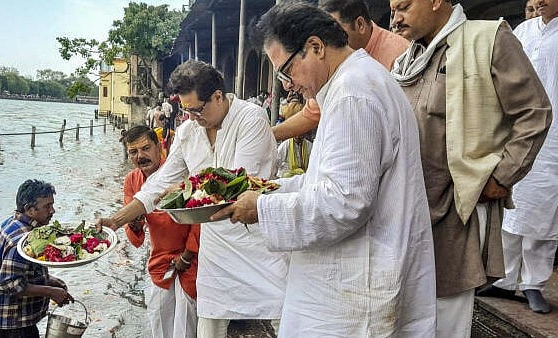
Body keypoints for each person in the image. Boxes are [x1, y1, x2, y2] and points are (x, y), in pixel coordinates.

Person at [214, 2, 436, 336]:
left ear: (316, 47)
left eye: (286, 70)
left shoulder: (352, 94)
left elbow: (344, 203)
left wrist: (259, 207)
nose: (287, 85)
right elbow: (329, 181)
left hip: (356, 287)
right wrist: (271, 189)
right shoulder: (354, 82)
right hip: (359, 276)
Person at [389, 0, 552, 336]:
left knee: (445, 319)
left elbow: (535, 113)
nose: (396, 19)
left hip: (455, 210)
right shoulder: (406, 60)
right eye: (392, 10)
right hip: (406, 208)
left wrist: (502, 175)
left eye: (403, 7)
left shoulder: (488, 39)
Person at [96, 60, 288, 338]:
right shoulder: (188, 131)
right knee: (209, 324)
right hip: (215, 247)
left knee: (280, 313)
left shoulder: (251, 118)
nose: (193, 118)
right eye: (187, 112)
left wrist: (182, 195)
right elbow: (160, 182)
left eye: (197, 110)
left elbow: (237, 184)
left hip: (255, 240)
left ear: (218, 97)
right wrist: (117, 220)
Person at [477, 0, 558, 314]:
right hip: (518, 132)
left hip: (554, 142)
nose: (537, 1)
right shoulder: (522, 31)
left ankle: (534, 283)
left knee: (544, 213)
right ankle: (507, 279)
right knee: (513, 209)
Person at [272, 0, 410, 142]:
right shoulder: (337, 67)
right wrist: (269, 134)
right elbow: (312, 113)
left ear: (360, 25)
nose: (326, 43)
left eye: (335, 31)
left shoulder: (399, 53)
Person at [123, 125, 200, 336]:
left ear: (160, 147)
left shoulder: (180, 171)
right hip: (160, 260)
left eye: (146, 148)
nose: (141, 156)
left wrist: (186, 256)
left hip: (192, 258)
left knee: (186, 325)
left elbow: (199, 219)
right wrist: (134, 223)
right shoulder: (132, 180)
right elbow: (135, 238)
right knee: (158, 320)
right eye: (133, 152)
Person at [0, 179, 74, 337]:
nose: (53, 211)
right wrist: (51, 292)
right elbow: (8, 284)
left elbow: (17, 272)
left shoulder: (12, 222)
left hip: (7, 319)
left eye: (52, 204)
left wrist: (48, 279)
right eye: (47, 206)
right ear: (29, 210)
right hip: (11, 323)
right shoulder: (22, 240)